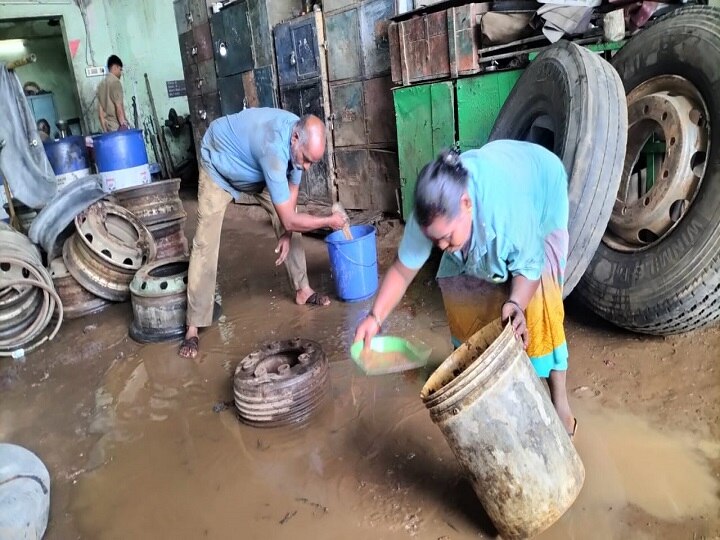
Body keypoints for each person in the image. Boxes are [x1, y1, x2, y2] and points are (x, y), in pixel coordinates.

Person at [353, 140, 577, 437]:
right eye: (435, 242)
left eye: (446, 238)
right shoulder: (431, 215)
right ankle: (479, 376)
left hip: (540, 188)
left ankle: (559, 400)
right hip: (492, 200)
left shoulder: (508, 209)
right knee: (457, 287)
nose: (441, 247)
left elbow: (529, 268)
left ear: (466, 204)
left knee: (541, 305)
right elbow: (402, 270)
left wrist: (515, 304)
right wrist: (374, 318)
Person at [179, 108, 347, 359]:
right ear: (294, 140)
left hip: (256, 173)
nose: (308, 167)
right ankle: (193, 326)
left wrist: (287, 231)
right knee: (205, 243)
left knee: (293, 223)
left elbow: (290, 210)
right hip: (220, 166)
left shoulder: (298, 144)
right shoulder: (274, 151)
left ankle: (303, 290)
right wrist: (328, 221)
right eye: (307, 160)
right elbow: (290, 219)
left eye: (313, 161)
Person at [96, 55, 128, 132]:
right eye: (120, 69)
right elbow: (118, 107)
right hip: (118, 128)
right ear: (115, 67)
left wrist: (105, 131)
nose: (121, 73)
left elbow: (101, 114)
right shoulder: (115, 82)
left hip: (108, 129)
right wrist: (123, 126)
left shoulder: (101, 85)